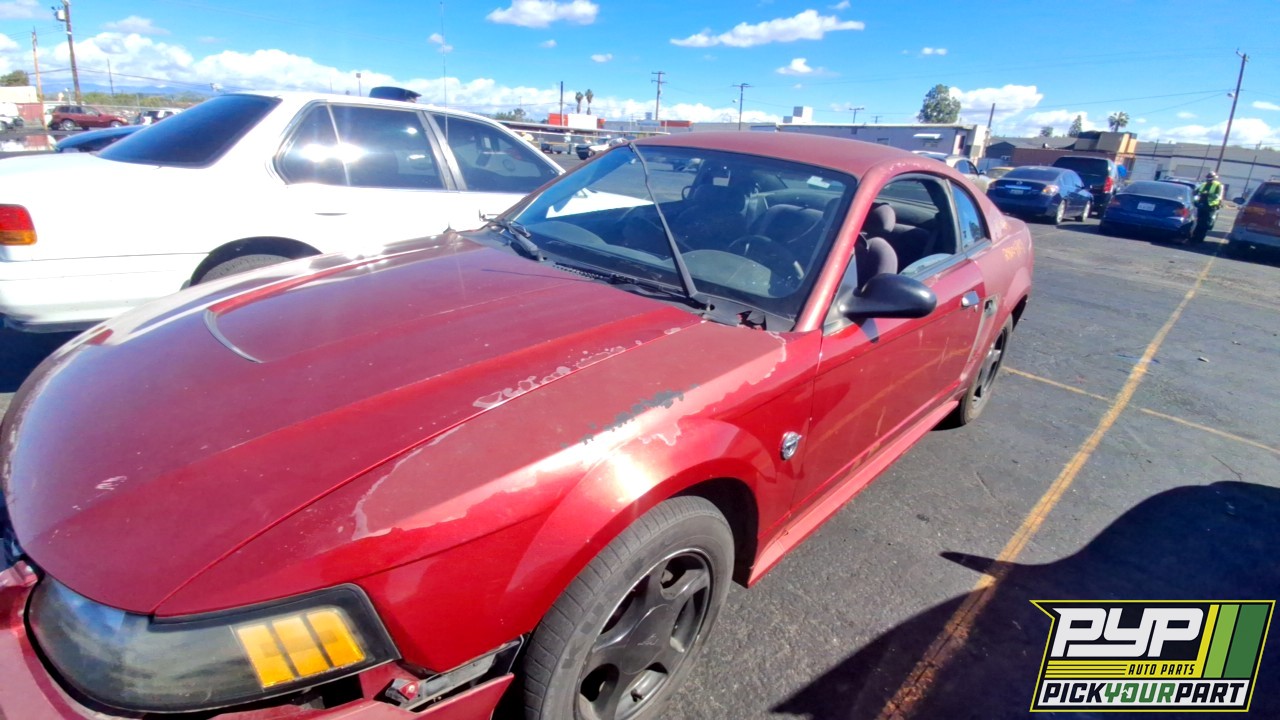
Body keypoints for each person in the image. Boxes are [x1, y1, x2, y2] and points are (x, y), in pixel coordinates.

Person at [1191, 171, 1223, 243]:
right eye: (1208, 178)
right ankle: (1194, 237)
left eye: (1210, 178)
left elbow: (1218, 196)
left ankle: (1200, 238)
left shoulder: (1218, 185)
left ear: (1214, 178)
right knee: (1199, 222)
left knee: (1205, 223)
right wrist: (1196, 196)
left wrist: (1208, 194)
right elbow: (1196, 192)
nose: (1209, 180)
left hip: (1210, 207)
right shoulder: (1203, 184)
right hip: (1201, 205)